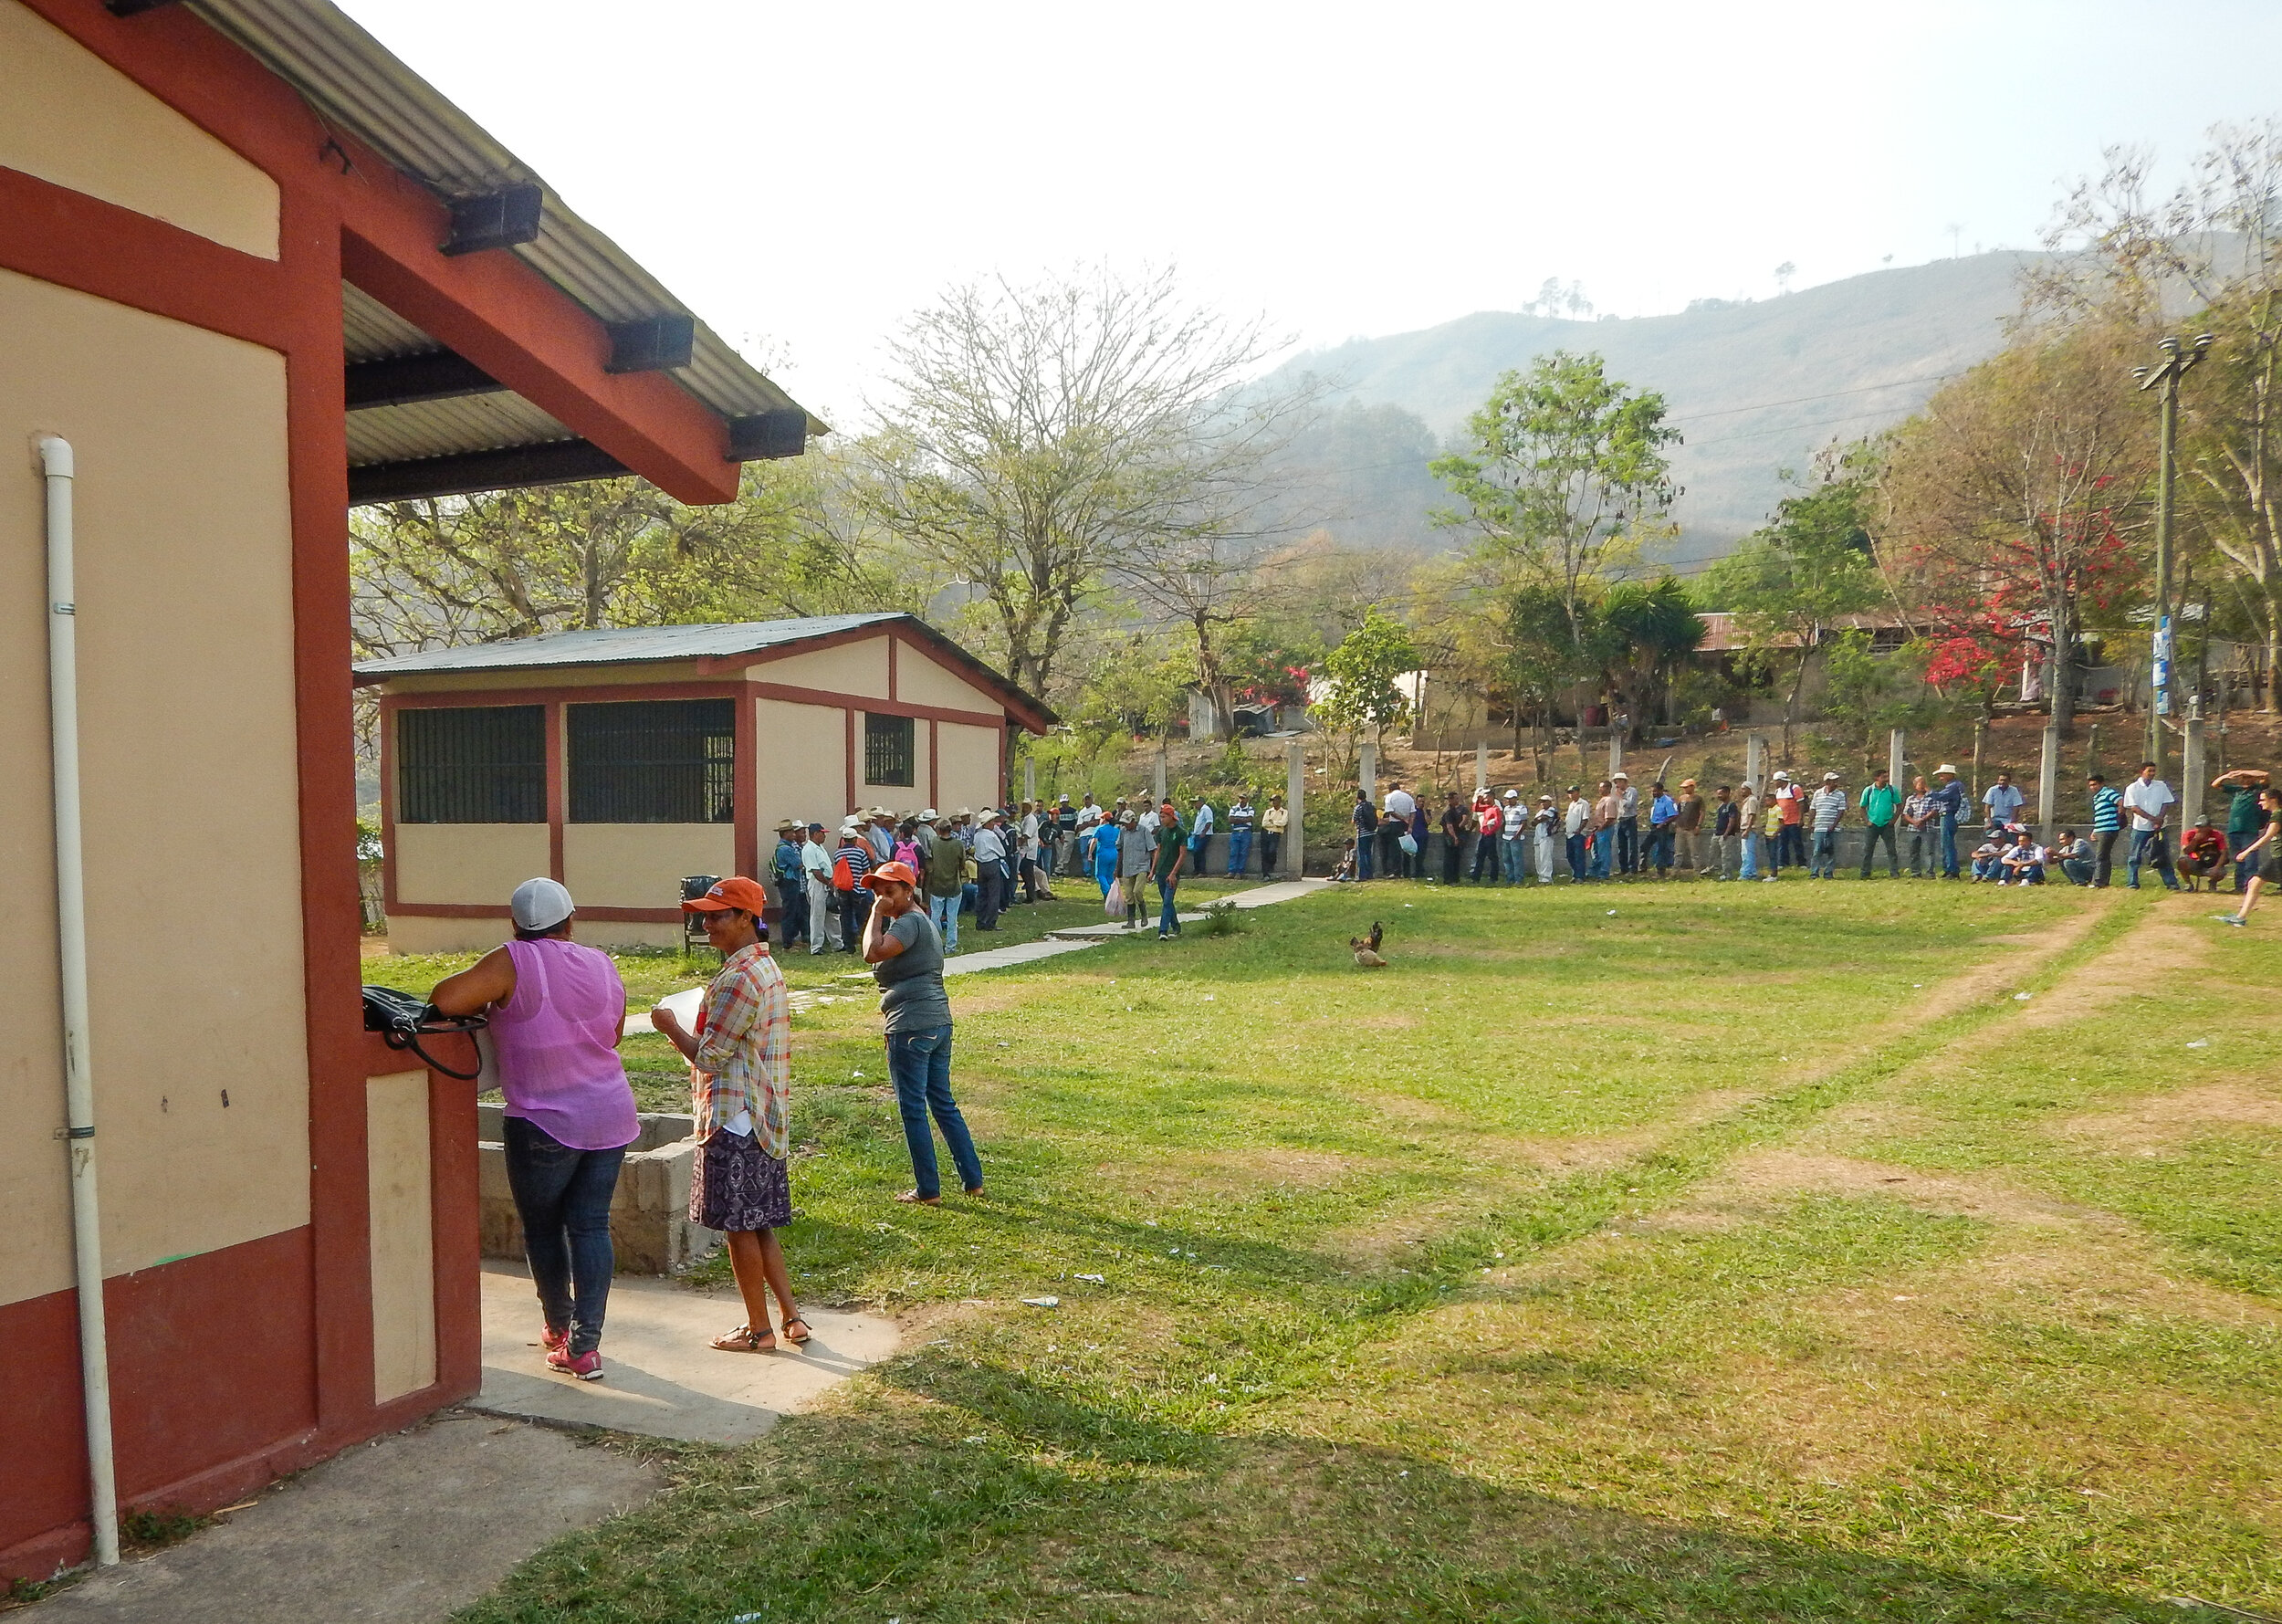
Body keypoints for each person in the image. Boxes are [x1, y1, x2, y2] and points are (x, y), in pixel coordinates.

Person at [431, 878, 634, 1381]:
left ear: (516, 925)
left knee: (543, 1228)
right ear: (571, 921)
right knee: (590, 1225)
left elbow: (446, 998)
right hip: (610, 1112)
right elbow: (614, 1032)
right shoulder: (602, 963)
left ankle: (560, 1328)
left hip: (543, 1120)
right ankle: (586, 1345)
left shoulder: (512, 960)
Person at [652, 876, 806, 1355]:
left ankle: (759, 1331)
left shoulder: (738, 978)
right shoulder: (764, 966)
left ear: (746, 919)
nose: (706, 924)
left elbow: (711, 1057)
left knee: (741, 1228)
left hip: (734, 1117)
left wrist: (670, 1026)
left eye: (718, 915)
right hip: (759, 1115)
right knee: (759, 1223)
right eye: (704, 915)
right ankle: (790, 1318)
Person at [862, 860, 985, 1203]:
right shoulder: (923, 921)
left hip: (911, 1024)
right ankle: (973, 1180)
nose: (883, 897)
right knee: (943, 1103)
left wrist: (875, 913)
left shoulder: (909, 922)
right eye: (877, 891)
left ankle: (928, 1189)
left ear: (908, 890)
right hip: (937, 1020)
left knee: (913, 1107)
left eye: (889, 891)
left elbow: (872, 952)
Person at [2215, 786, 2282, 925]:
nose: (2259, 802)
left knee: (2254, 883)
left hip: (2279, 857)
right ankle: (2241, 918)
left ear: (2273, 800)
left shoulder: (2278, 814)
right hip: (2276, 856)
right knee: (2254, 883)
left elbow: (2267, 836)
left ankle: (2241, 918)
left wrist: (2246, 851)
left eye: (2263, 800)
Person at [2122, 761, 2181, 892]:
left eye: (2154, 771)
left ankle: (2171, 883)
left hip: (2159, 827)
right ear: (2142, 771)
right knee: (2134, 856)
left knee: (2163, 855)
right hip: (2140, 827)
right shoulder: (2133, 788)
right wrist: (2152, 819)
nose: (2152, 774)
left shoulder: (2161, 786)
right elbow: (2134, 807)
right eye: (2150, 771)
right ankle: (2132, 882)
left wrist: (2160, 819)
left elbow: (2167, 802)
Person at [2219, 769, 2273, 894]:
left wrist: (2245, 772)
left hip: (2249, 830)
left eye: (2248, 778)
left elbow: (2266, 775)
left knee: (2250, 860)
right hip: (2234, 829)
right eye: (2243, 778)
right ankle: (2239, 886)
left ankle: (2250, 886)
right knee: (2238, 859)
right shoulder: (2237, 791)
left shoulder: (2257, 790)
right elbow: (2216, 784)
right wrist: (2227, 776)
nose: (2245, 780)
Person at [922, 814, 968, 952]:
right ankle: (951, 946)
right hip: (954, 884)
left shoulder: (935, 843)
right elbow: (962, 864)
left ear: (939, 830)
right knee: (952, 917)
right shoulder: (958, 844)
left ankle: (936, 943)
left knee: (935, 915)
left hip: (937, 884)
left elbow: (931, 859)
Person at [832, 821, 875, 951]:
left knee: (846, 917)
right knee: (861, 917)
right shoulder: (860, 853)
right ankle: (863, 941)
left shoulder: (837, 854)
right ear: (855, 839)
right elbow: (864, 871)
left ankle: (849, 944)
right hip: (858, 889)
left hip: (843, 890)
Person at [801, 822, 842, 955]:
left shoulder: (819, 847)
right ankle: (816, 946)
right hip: (818, 882)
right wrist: (827, 882)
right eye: (822, 833)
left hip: (827, 881)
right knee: (817, 915)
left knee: (832, 914)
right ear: (816, 833)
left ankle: (837, 943)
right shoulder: (809, 849)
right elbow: (816, 871)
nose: (824, 836)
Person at [769, 819, 809, 949]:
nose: (794, 834)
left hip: (790, 882)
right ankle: (787, 944)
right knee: (789, 912)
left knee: (794, 911)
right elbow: (799, 864)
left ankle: (791, 940)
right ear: (785, 833)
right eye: (791, 832)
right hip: (789, 882)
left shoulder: (785, 847)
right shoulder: (786, 849)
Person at [1858, 768, 1902, 879]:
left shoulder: (1892, 790)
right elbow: (1862, 807)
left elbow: (1899, 805)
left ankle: (1894, 872)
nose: (1886, 779)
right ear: (1876, 778)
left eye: (1887, 777)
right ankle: (1865, 873)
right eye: (1883, 777)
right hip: (1873, 824)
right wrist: (1867, 821)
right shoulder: (1869, 790)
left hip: (1887, 824)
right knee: (1868, 850)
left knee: (1891, 849)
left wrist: (1893, 820)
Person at [1152, 801, 1188, 938]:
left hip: (1172, 872)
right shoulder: (1161, 832)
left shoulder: (1181, 833)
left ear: (1171, 817)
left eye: (1164, 817)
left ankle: (1163, 931)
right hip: (1161, 871)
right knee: (1167, 902)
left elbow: (1183, 854)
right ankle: (1176, 926)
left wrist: (1174, 873)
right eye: (1161, 817)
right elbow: (1158, 851)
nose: (1162, 820)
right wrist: (1152, 870)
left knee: (1167, 901)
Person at [973, 809, 1011, 928]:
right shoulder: (991, 836)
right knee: (994, 895)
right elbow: (1001, 851)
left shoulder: (977, 835)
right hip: (991, 864)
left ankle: (980, 920)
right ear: (988, 823)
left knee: (982, 894)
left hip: (981, 865)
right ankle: (990, 922)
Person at [1115, 808, 1153, 928]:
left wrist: (1152, 869)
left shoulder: (1143, 831)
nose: (1125, 825)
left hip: (1142, 866)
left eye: (1127, 823)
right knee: (1129, 896)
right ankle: (1131, 921)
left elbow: (1152, 849)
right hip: (1127, 867)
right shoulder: (1122, 832)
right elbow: (1120, 849)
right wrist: (1117, 868)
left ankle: (1144, 915)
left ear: (1133, 821)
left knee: (1137, 892)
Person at [1928, 765, 1967, 879]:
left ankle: (1952, 870)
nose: (1941, 778)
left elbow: (1941, 796)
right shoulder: (1954, 785)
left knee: (1948, 843)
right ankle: (1948, 869)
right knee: (1945, 844)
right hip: (1948, 816)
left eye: (1942, 775)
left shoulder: (1953, 786)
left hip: (1949, 815)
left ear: (1950, 775)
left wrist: (1928, 790)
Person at [2087, 770, 2124, 888]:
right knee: (2103, 856)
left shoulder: (2108, 793)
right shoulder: (2097, 797)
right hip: (2101, 828)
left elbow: (2121, 802)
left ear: (2102, 784)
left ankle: (2099, 881)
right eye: (2091, 785)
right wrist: (2095, 830)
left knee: (2101, 856)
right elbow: (2099, 815)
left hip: (2109, 828)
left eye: (2095, 784)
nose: (2093, 787)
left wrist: (2120, 816)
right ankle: (2103, 881)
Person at [1808, 770, 1847, 879]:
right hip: (1819, 826)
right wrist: (1810, 822)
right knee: (1817, 851)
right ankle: (1814, 872)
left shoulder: (1840, 795)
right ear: (1828, 782)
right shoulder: (1818, 793)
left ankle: (1828, 872)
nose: (1836, 783)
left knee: (1832, 851)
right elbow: (1813, 808)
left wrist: (1833, 825)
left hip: (1833, 828)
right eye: (1834, 781)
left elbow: (1841, 811)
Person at [2179, 817, 2228, 892]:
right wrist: (2195, 840)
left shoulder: (2217, 835)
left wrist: (2217, 867)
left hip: (2212, 862)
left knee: (2221, 872)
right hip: (2196, 862)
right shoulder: (2189, 834)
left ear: (2209, 827)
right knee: (2182, 861)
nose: (2200, 829)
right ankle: (2188, 883)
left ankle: (2212, 883)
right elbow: (2186, 851)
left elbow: (2224, 853)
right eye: (2198, 827)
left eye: (2203, 827)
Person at [1772, 771, 1806, 871]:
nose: (1775, 783)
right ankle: (1783, 862)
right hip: (1783, 822)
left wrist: (1800, 818)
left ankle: (1801, 863)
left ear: (1781, 781)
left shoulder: (1795, 789)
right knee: (1782, 843)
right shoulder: (1777, 792)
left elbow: (1801, 804)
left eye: (1776, 781)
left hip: (1794, 821)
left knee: (1797, 842)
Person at [1901, 776, 1934, 878]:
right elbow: (1905, 813)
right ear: (1915, 786)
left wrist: (1923, 820)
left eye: (1924, 783)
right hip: (1913, 829)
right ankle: (1915, 872)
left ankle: (1930, 873)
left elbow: (1934, 810)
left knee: (1929, 851)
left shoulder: (1931, 797)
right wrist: (1913, 822)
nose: (1923, 786)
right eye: (1920, 783)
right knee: (1914, 851)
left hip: (1927, 827)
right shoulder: (1910, 799)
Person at [1645, 781, 1678, 877]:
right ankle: (1643, 867)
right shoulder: (1656, 800)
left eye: (1655, 791)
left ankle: (1661, 871)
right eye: (1652, 791)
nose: (1653, 793)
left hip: (1662, 827)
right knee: (1645, 846)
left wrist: (1663, 823)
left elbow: (1674, 815)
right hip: (1654, 825)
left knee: (1661, 848)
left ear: (1661, 790)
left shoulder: (1667, 801)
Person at [1590, 779, 1619, 880]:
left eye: (1602, 787)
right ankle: (1595, 871)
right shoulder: (1602, 800)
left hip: (1605, 829)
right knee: (1596, 851)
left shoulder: (1609, 800)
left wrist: (1602, 827)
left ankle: (1604, 872)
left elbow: (1610, 818)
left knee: (1604, 851)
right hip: (1599, 829)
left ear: (1608, 788)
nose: (1600, 789)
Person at [1675, 779, 1705, 876]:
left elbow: (1702, 812)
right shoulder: (1681, 798)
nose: (1684, 789)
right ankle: (1676, 871)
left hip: (1692, 828)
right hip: (1681, 828)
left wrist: (1698, 825)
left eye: (1686, 787)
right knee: (1678, 852)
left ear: (1692, 787)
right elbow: (1678, 812)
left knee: (1694, 852)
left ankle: (1697, 871)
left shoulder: (1698, 799)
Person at [1471, 791, 1502, 884]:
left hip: (1489, 835)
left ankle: (1493, 878)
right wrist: (1478, 800)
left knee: (1492, 856)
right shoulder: (1487, 808)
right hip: (1483, 834)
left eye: (1486, 798)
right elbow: (1476, 809)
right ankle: (1476, 878)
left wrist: (1490, 832)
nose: (1485, 800)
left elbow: (1498, 823)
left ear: (1492, 797)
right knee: (1480, 855)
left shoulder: (1496, 809)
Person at [1613, 771, 1640, 876]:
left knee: (1632, 845)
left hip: (1630, 820)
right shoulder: (1618, 793)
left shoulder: (1631, 791)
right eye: (1616, 782)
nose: (1617, 784)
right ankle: (1623, 868)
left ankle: (1633, 868)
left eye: (1619, 781)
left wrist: (1621, 797)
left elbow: (1628, 805)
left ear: (1624, 781)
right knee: (1621, 845)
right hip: (1621, 820)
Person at [1500, 789, 1529, 885]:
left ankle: (1519, 879)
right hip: (1506, 837)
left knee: (1517, 859)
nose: (1508, 800)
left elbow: (1524, 823)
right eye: (1507, 799)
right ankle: (1509, 878)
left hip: (1515, 838)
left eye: (1510, 799)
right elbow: (1505, 821)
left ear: (1515, 798)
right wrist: (1503, 832)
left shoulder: (1521, 808)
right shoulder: (1506, 809)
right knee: (1507, 859)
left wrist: (1517, 834)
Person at [1439, 791, 1469, 885]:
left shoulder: (1455, 809)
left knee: (1456, 858)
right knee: (1450, 859)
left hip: (1455, 835)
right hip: (1450, 837)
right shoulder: (1448, 811)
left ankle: (1455, 879)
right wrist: (1455, 837)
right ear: (1450, 800)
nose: (1458, 800)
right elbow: (1449, 826)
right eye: (1455, 799)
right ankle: (1449, 879)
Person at [1983, 770, 2026, 835]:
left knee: (2012, 835)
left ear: (2009, 781)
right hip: (1994, 819)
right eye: (2001, 780)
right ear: (1998, 781)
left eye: (2005, 780)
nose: (2002, 782)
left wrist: (2012, 822)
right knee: (1990, 833)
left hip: (2008, 820)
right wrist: (1989, 821)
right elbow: (1987, 806)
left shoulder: (2014, 791)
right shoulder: (1992, 790)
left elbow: (2016, 807)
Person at [1712, 784, 1740, 881]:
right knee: (1713, 854)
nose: (1719, 796)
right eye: (1718, 794)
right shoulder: (1721, 806)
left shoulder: (1731, 806)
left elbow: (1732, 820)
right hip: (1717, 834)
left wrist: (1726, 833)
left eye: (1721, 793)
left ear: (1727, 793)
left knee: (1726, 856)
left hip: (1726, 835)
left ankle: (1727, 875)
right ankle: (1713, 871)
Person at [1563, 785, 1590, 882]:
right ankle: (1575, 874)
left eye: (1572, 792)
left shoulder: (1583, 804)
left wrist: (1579, 830)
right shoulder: (1571, 805)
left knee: (1579, 856)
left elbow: (1585, 818)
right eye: (1569, 793)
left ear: (1578, 792)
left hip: (1578, 834)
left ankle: (1580, 876)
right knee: (1570, 855)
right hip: (1569, 834)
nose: (1570, 794)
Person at [1225, 793, 1256, 877]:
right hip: (1235, 832)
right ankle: (1231, 871)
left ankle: (1239, 872)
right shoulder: (1234, 808)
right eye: (1240, 798)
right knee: (1233, 852)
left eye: (1243, 798)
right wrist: (1243, 820)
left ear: (1247, 799)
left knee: (1243, 853)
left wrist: (1237, 819)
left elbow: (1249, 819)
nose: (1242, 800)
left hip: (1246, 832)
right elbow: (1231, 820)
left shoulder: (1250, 808)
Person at [1736, 781, 1761, 882]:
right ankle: (1752, 872)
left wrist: (1747, 829)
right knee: (1747, 852)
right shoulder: (1747, 801)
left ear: (1749, 790)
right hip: (1747, 829)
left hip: (1749, 830)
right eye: (1741, 789)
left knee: (1747, 853)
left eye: (1744, 789)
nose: (1742, 791)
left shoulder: (1751, 800)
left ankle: (1746, 874)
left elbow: (1752, 815)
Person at [1350, 789, 1377, 879]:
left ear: (1357, 797)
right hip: (1372, 833)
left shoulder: (1358, 807)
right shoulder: (1371, 806)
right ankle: (1370, 874)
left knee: (1362, 854)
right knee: (1369, 853)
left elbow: (1353, 821)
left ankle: (1362, 875)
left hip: (1362, 834)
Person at [1261, 793, 1289, 876]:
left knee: (1272, 851)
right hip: (1266, 833)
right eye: (1271, 801)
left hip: (1275, 834)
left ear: (1279, 801)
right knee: (1264, 853)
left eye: (1274, 800)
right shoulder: (1268, 812)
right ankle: (1265, 874)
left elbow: (1283, 822)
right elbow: (1264, 823)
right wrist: (1276, 824)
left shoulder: (1284, 812)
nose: (1273, 802)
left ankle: (1271, 865)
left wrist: (1273, 822)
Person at [1188, 795, 1217, 875]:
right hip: (1197, 834)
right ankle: (1196, 870)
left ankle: (1202, 871)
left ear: (1201, 802)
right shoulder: (1199, 811)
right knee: (1196, 852)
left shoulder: (1206, 809)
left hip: (1204, 834)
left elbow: (1209, 821)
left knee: (1199, 851)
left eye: (1196, 803)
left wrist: (1204, 832)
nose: (1195, 805)